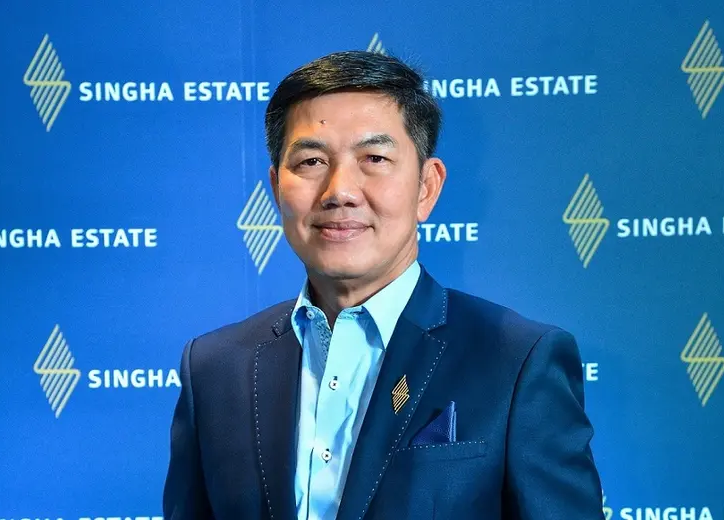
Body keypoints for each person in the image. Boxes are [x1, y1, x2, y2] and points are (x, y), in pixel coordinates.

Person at [163, 50, 604, 520]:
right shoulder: (214, 368)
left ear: (426, 187)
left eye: (374, 158)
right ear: (276, 187)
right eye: (311, 161)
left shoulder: (516, 361)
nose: (340, 191)